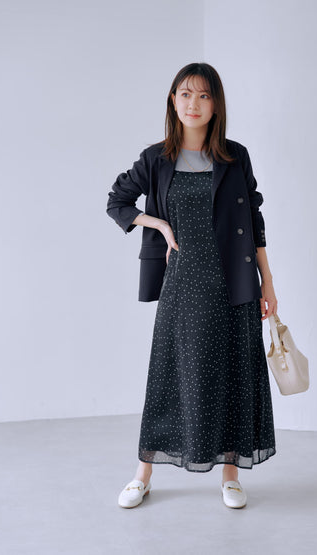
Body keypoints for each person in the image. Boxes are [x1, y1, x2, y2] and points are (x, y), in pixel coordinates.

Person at [106, 62, 278, 509]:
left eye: (203, 95)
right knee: (169, 377)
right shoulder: (156, 158)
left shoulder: (235, 157)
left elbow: (253, 219)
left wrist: (268, 282)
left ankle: (230, 475)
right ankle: (143, 473)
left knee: (232, 375)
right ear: (173, 100)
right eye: (185, 94)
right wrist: (159, 225)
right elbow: (118, 201)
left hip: (234, 283)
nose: (193, 104)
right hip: (182, 284)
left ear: (216, 104)